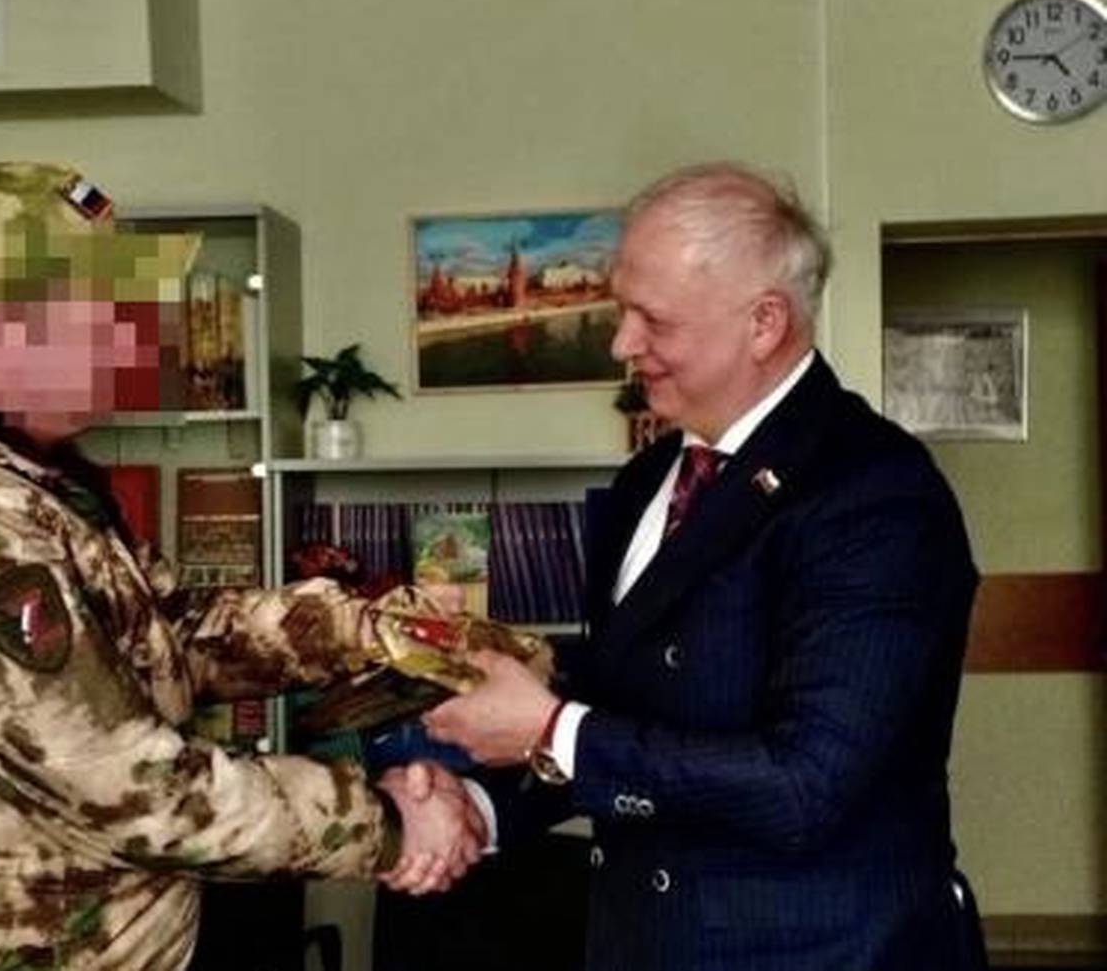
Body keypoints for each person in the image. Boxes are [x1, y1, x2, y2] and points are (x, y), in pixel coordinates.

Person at [0, 162, 546, 970]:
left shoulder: (26, 480)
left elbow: (172, 634)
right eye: (108, 313)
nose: (137, 340)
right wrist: (385, 824)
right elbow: (125, 782)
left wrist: (365, 631)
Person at [421, 162, 988, 970]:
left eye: (653, 319)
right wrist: (476, 806)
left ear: (764, 322)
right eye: (621, 309)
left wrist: (549, 729)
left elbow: (806, 785)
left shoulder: (876, 493)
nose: (621, 343)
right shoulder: (645, 481)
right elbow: (624, 705)